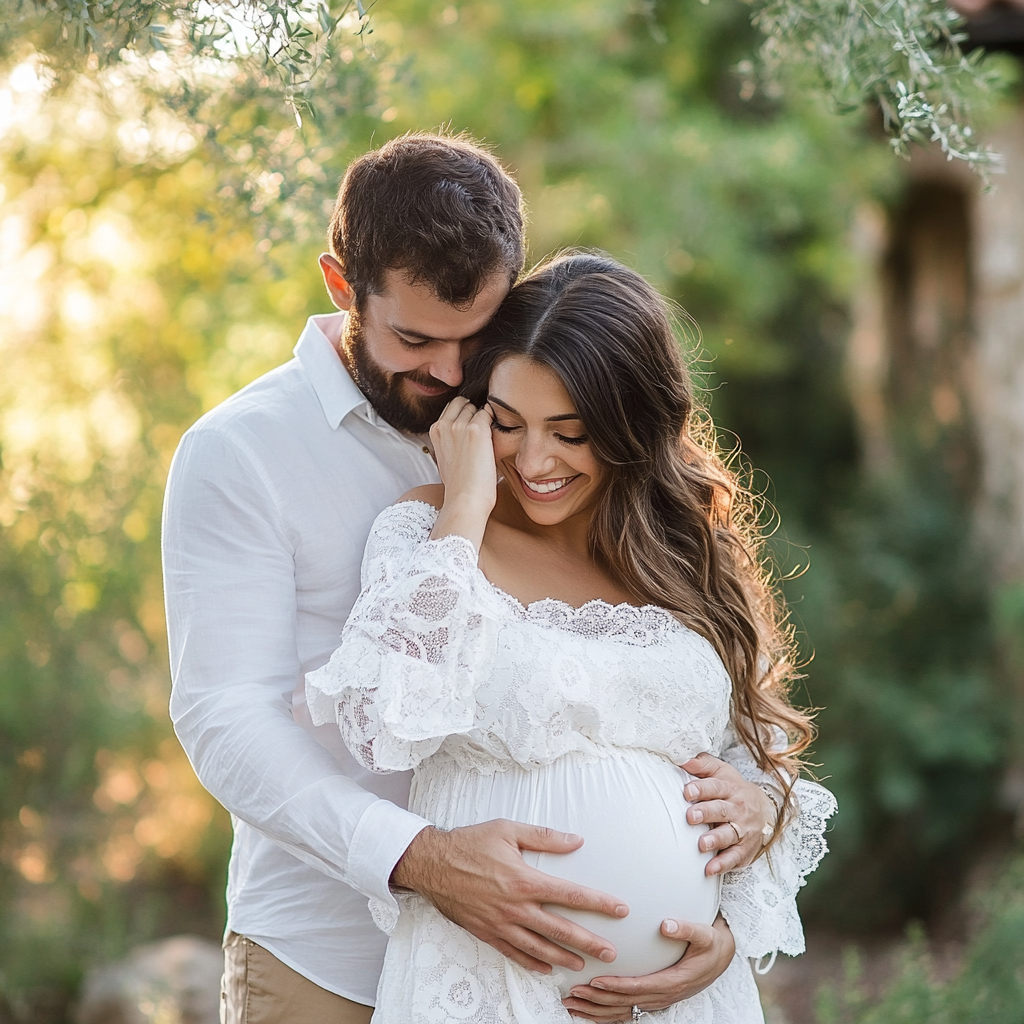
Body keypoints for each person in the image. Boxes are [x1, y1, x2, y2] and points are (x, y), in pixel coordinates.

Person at [163, 132, 786, 1024]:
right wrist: (421, 858)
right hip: (328, 955)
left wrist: (723, 891)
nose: (451, 373)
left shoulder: (558, 438)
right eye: (415, 338)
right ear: (343, 288)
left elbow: (719, 723)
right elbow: (226, 719)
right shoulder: (243, 452)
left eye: (477, 338)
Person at [305, 252, 838, 1023]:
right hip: (485, 984)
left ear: (632, 427)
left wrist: (752, 833)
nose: (534, 461)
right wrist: (465, 508)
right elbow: (381, 717)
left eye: (571, 433)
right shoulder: (429, 536)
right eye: (507, 423)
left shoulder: (688, 555)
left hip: (685, 1001)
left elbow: (753, 751)